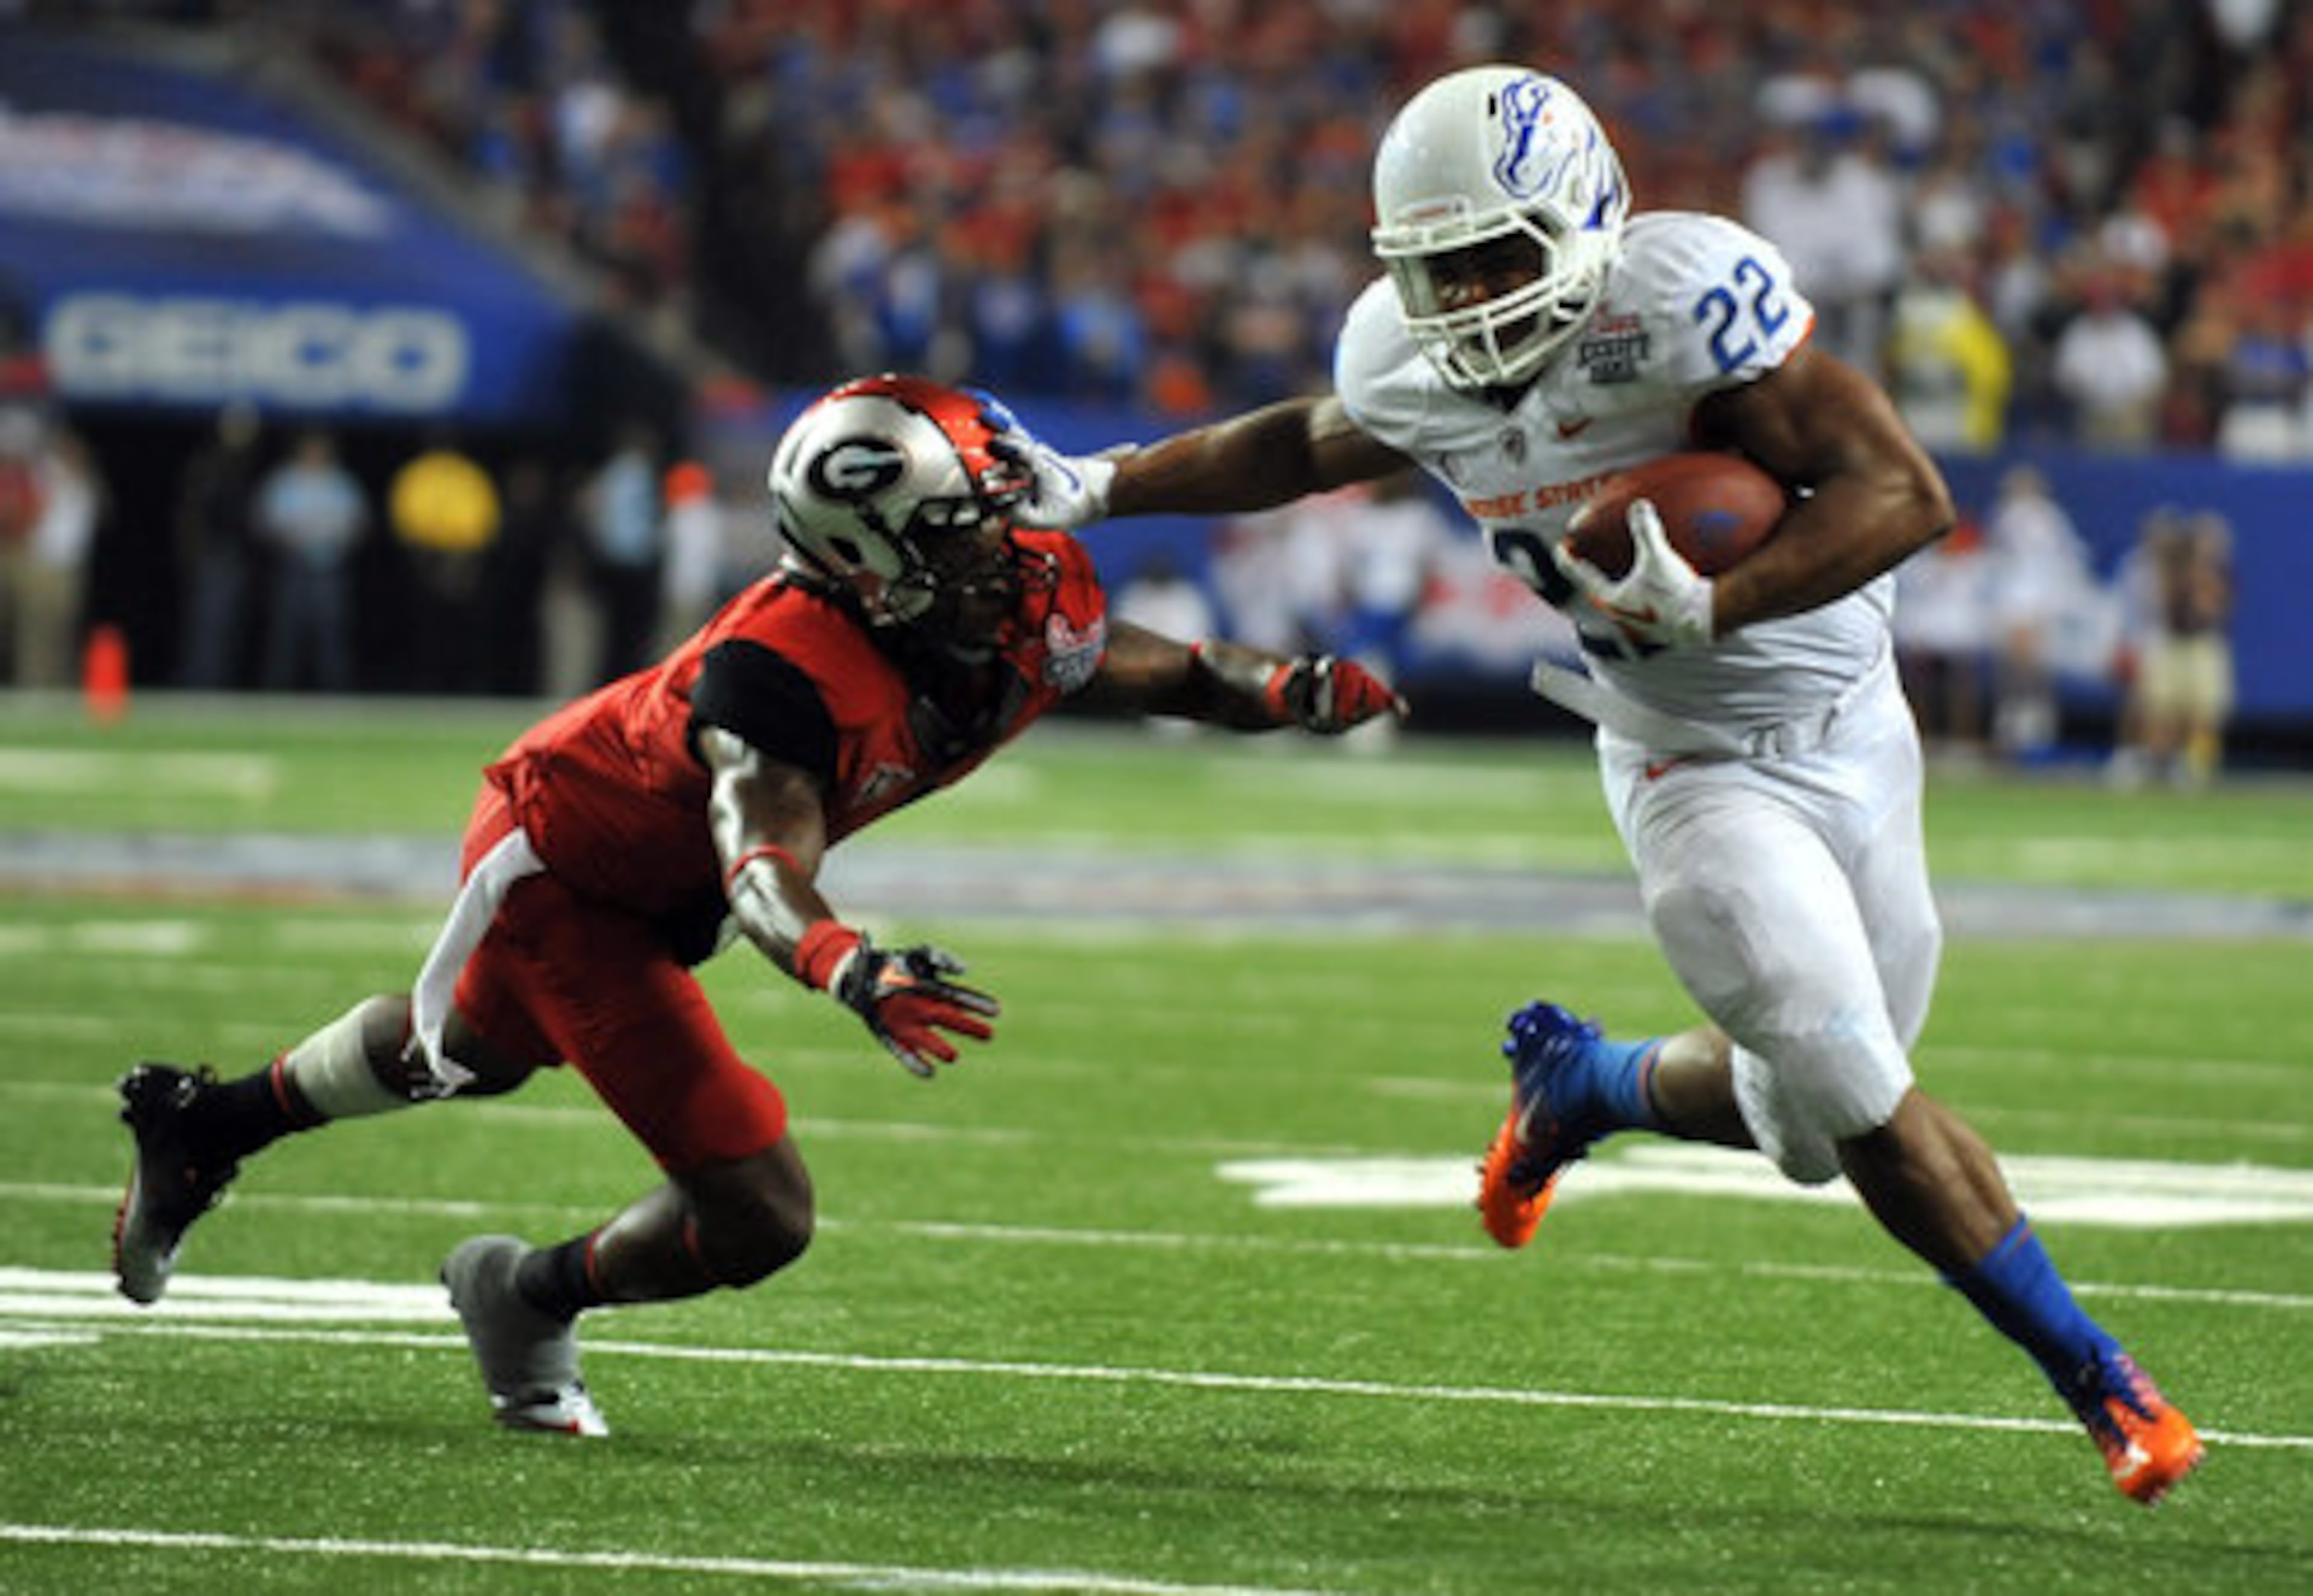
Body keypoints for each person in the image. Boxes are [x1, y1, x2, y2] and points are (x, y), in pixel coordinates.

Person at [1003, 65, 2202, 1506]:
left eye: (1498, 254)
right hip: (1684, 763)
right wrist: (1102, 482)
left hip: (1852, 721)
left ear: (1579, 216)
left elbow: (1906, 493)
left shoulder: (1686, 299)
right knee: (1845, 1069)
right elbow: (1303, 443)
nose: (1469, 298)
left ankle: (1586, 1081)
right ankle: (2104, 1381)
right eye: (1436, 270)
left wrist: (1720, 599)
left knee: (1807, 1130)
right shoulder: (1410, 358)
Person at [108, 374, 1405, 1436]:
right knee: (758, 1209)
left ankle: (203, 1119)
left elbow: (1117, 662)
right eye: (970, 534)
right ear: (879, 570)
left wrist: (1281, 688)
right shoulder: (778, 673)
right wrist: (851, 967)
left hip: (659, 882)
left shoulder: (1008, 584)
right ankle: (526, 1291)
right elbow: (761, 865)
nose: (1013, 549)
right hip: (574, 868)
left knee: (475, 1055)